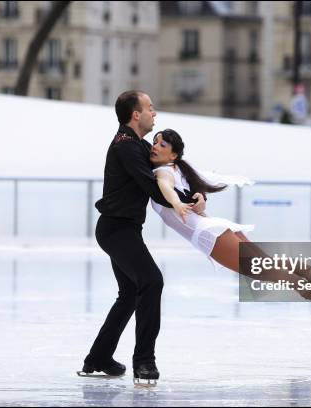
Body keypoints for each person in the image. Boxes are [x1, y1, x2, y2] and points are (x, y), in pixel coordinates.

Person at [149, 128, 311, 323]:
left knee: (265, 271)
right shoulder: (178, 168)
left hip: (208, 234)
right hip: (215, 227)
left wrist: (177, 203)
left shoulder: (162, 172)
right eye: (155, 142)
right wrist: (196, 198)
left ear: (173, 154)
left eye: (162, 144)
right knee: (266, 264)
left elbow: (165, 186)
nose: (155, 147)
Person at [80, 92, 206, 384]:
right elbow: (153, 187)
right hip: (116, 229)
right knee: (151, 281)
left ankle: (98, 357)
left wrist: (195, 195)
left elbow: (166, 177)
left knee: (129, 294)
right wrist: (185, 201)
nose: (154, 113)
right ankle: (145, 361)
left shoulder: (137, 146)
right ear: (136, 115)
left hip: (122, 229)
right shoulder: (126, 147)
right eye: (150, 108)